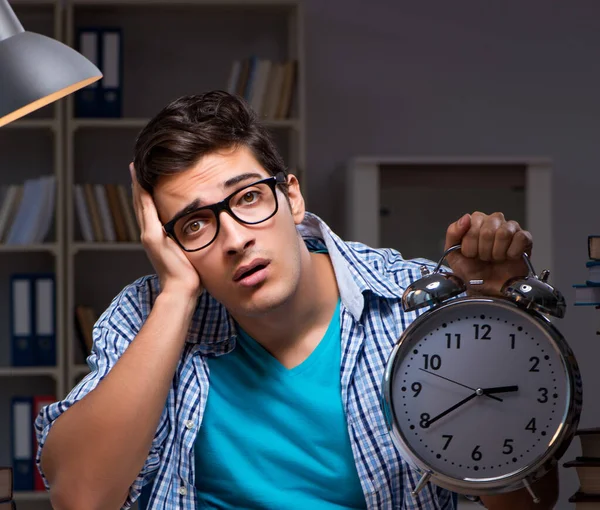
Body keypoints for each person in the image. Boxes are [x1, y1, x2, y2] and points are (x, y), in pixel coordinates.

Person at [35, 91, 558, 510]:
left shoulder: (415, 303)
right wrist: (176, 296)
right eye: (196, 224)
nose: (235, 238)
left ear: (292, 197)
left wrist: (498, 324)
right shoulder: (146, 315)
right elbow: (81, 498)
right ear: (167, 244)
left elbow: (524, 503)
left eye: (247, 198)